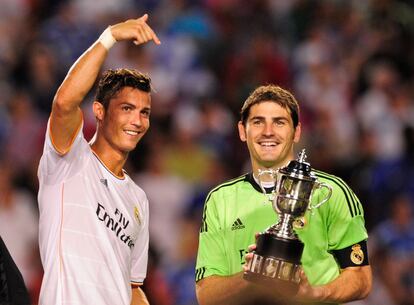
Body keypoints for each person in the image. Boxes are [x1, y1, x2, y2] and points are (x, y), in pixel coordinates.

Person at [195, 85, 372, 305]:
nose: (268, 131)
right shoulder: (219, 199)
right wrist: (256, 273)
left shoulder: (331, 191)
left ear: (296, 131)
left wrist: (316, 293)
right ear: (242, 131)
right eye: (258, 122)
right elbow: (206, 295)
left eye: (279, 122)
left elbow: (361, 278)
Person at [37, 14, 160, 305]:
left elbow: (130, 288)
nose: (137, 120)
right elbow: (64, 103)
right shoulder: (68, 159)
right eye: (127, 108)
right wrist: (110, 37)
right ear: (100, 111)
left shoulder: (138, 199)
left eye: (144, 112)